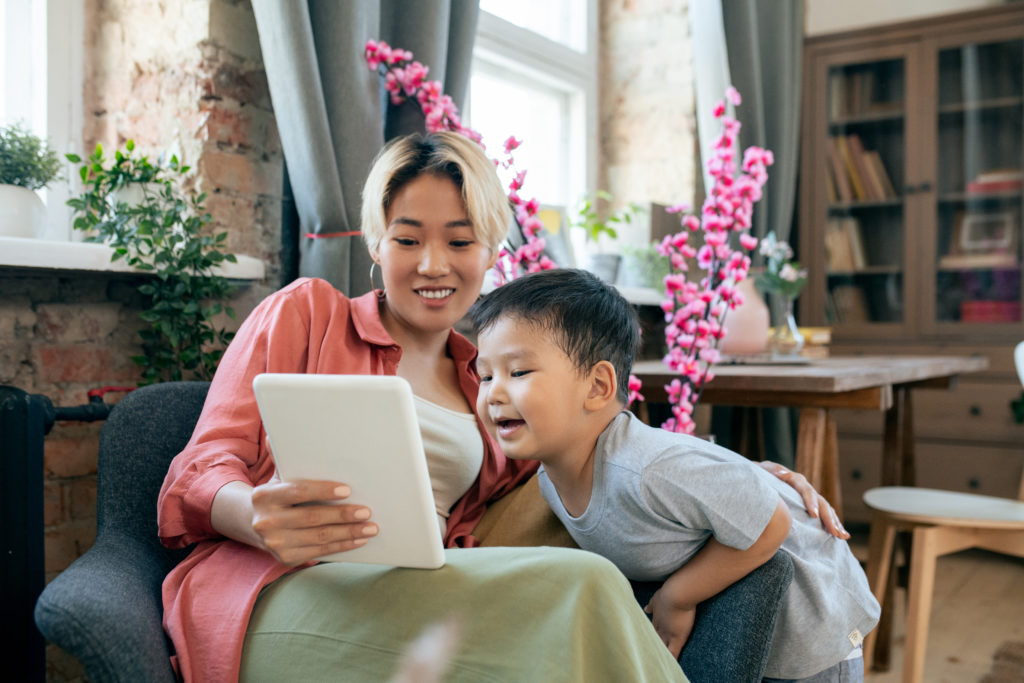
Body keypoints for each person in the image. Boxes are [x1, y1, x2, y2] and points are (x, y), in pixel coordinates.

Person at [157, 130, 842, 682]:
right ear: (375, 241)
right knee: (585, 587)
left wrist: (739, 476)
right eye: (406, 238)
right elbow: (201, 464)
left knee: (583, 590)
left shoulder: (490, 382)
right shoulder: (305, 315)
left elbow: (604, 452)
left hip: (423, 605)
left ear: (490, 250)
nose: (433, 264)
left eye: (459, 240)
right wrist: (250, 512)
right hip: (279, 596)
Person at [471, 268, 881, 682]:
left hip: (813, 631)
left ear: (597, 386)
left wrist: (677, 598)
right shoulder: (552, 481)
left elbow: (772, 523)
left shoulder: (647, 468)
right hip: (740, 633)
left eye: (518, 372)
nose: (494, 392)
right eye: (485, 375)